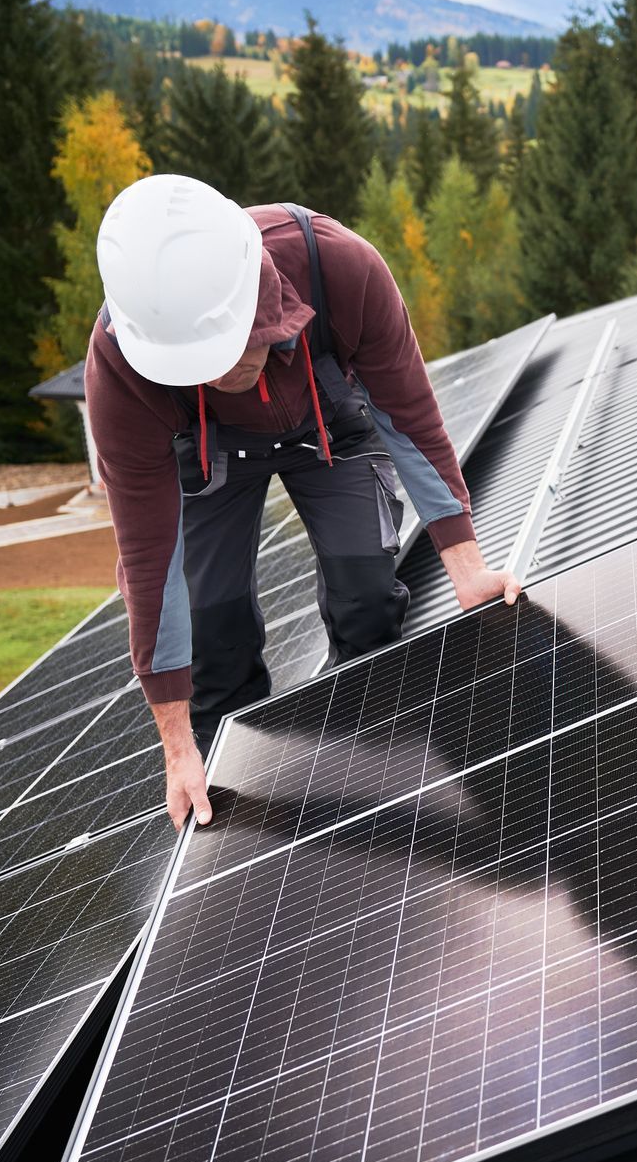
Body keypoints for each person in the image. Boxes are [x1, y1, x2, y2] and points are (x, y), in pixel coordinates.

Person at [87, 175, 521, 831]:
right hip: (208, 453)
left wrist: (466, 565)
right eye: (201, 360)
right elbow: (150, 557)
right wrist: (177, 746)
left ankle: (378, 777)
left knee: (367, 601)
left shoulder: (339, 267)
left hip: (330, 429)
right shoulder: (122, 367)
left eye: (235, 343)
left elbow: (410, 418)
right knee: (214, 638)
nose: (225, 368)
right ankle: (242, 819)